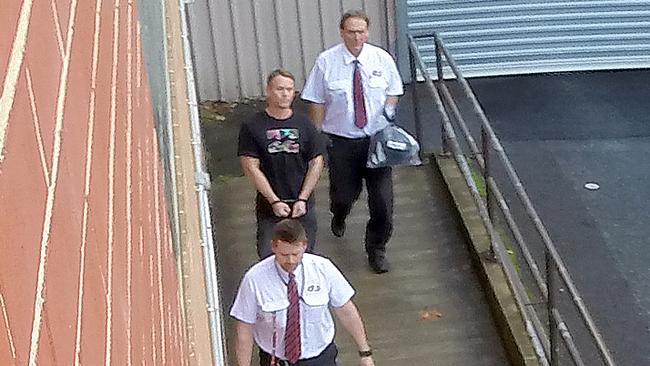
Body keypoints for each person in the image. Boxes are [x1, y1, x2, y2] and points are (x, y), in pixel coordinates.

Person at [301, 10, 404, 273]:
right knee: (345, 194)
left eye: (361, 31)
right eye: (351, 32)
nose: (357, 37)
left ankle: (377, 249)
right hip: (341, 141)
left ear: (367, 32)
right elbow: (315, 98)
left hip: (375, 141)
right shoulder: (327, 62)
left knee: (382, 203)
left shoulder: (381, 59)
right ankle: (339, 213)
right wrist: (316, 135)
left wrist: (389, 112)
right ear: (342, 32)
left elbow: (394, 90)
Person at [230, 219, 375, 366]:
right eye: (284, 255)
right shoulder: (254, 279)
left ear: (304, 246)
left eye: (295, 254)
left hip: (320, 358)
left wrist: (365, 353)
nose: (291, 260)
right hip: (276, 360)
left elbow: (346, 310)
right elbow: (244, 328)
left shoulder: (323, 268)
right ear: (274, 247)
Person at [238, 69, 325, 258]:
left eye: (290, 89)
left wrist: (303, 198)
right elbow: (250, 166)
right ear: (268, 91)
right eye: (280, 89)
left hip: (302, 207)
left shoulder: (305, 124)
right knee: (268, 257)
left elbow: (316, 161)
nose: (285, 94)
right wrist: (274, 200)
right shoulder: (253, 125)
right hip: (270, 208)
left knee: (304, 258)